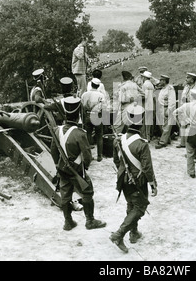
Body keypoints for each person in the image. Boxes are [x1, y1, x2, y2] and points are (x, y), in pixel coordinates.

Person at [50, 96, 106, 231]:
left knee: (65, 194)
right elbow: (87, 156)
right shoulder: (80, 133)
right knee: (87, 192)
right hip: (77, 170)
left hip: (62, 169)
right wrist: (83, 168)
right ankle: (90, 221)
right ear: (77, 116)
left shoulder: (57, 130)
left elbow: (53, 151)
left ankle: (68, 222)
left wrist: (59, 165)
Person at [110, 103, 157, 253]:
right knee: (140, 207)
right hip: (138, 180)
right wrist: (153, 184)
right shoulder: (142, 144)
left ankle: (134, 233)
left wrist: (123, 171)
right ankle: (119, 234)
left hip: (123, 179)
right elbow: (147, 168)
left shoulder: (118, 139)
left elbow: (116, 161)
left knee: (131, 204)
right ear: (141, 122)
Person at [81, 78, 106, 162]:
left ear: (91, 84)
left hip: (87, 115)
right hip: (97, 115)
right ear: (98, 86)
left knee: (88, 135)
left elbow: (82, 107)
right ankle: (99, 156)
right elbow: (104, 108)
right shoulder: (101, 95)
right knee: (99, 136)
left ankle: (89, 156)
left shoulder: (84, 94)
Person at [177, 72, 196, 149]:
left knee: (190, 127)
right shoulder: (186, 87)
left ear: (192, 80)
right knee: (182, 125)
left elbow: (195, 100)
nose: (186, 79)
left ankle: (189, 145)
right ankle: (182, 143)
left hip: (191, 109)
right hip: (184, 108)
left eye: (188, 78)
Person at [155, 75, 176, 149]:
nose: (160, 81)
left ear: (164, 81)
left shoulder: (170, 88)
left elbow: (172, 101)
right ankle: (167, 139)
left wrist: (169, 110)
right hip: (161, 108)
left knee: (166, 126)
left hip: (167, 108)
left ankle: (163, 142)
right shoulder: (163, 88)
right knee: (162, 125)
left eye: (161, 80)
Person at [141, 71, 155, 142]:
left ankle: (146, 137)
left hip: (146, 105)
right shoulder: (151, 85)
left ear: (145, 77)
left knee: (145, 122)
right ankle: (149, 136)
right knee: (149, 121)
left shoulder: (145, 84)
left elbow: (144, 96)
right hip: (151, 105)